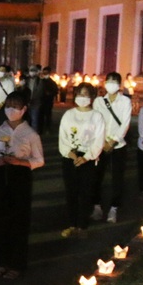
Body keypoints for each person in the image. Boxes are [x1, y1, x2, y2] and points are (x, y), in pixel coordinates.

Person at [0, 91, 44, 279]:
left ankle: (16, 263)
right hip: (2, 175)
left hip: (21, 176)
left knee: (19, 219)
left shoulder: (31, 134)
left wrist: (21, 162)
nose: (11, 110)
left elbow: (39, 160)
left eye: (16, 106)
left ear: (24, 109)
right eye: (8, 105)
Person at [58, 82, 105, 237]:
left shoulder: (97, 117)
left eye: (86, 94)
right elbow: (63, 138)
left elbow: (99, 140)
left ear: (92, 97)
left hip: (88, 159)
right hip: (70, 157)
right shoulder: (69, 115)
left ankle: (82, 225)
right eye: (80, 94)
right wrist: (72, 155)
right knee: (71, 192)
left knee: (86, 193)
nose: (82, 97)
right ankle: (72, 224)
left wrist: (86, 157)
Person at [91, 72, 131, 223]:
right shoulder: (99, 102)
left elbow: (125, 124)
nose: (111, 84)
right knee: (97, 176)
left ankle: (114, 208)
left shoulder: (125, 102)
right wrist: (102, 142)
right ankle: (97, 207)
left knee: (117, 178)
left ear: (119, 85)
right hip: (100, 144)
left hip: (118, 145)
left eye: (114, 81)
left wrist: (113, 141)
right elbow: (96, 122)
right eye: (108, 81)